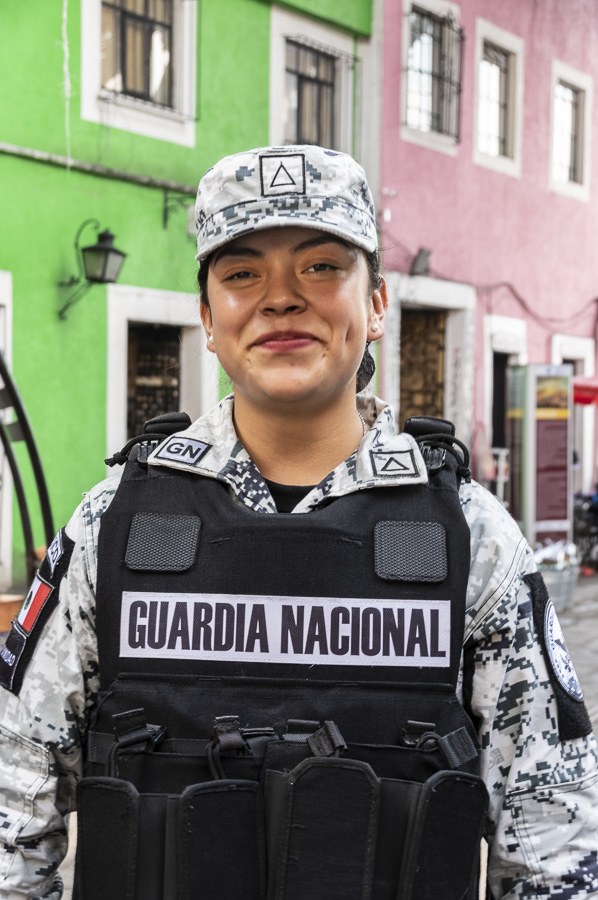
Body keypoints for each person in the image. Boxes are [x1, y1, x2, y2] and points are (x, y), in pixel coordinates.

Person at [0, 144, 596, 900]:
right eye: (242, 272)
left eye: (321, 266)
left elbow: (553, 845)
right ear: (208, 318)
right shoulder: (111, 526)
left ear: (377, 304)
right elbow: (12, 800)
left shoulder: (472, 542)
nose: (281, 299)